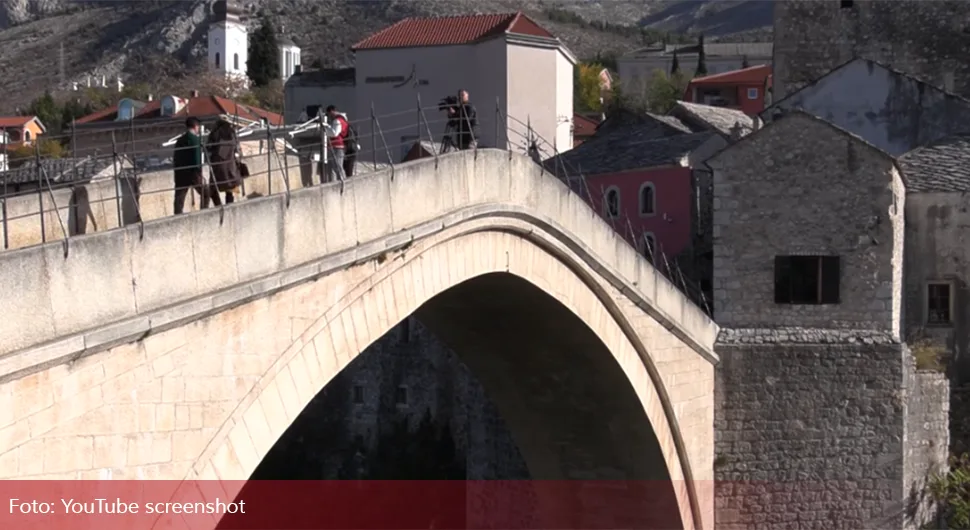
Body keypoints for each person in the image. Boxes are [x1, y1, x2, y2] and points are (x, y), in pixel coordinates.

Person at [172, 117, 210, 214]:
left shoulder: (179, 140)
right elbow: (197, 159)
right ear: (196, 127)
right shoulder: (195, 140)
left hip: (180, 172)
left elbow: (175, 158)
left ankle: (177, 216)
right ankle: (204, 213)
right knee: (205, 193)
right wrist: (199, 173)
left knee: (179, 198)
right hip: (193, 173)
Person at [205, 118, 242, 205]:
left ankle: (218, 205)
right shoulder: (231, 134)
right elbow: (237, 149)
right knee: (229, 189)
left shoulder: (214, 134)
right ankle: (229, 205)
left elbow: (208, 148)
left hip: (217, 166)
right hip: (230, 166)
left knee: (213, 187)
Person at [323, 104, 349, 183]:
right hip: (339, 145)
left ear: (331, 112)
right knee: (337, 166)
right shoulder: (343, 119)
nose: (329, 116)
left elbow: (335, 133)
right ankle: (340, 181)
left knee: (336, 167)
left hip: (337, 145)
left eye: (328, 114)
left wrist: (326, 129)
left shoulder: (337, 120)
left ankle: (340, 182)